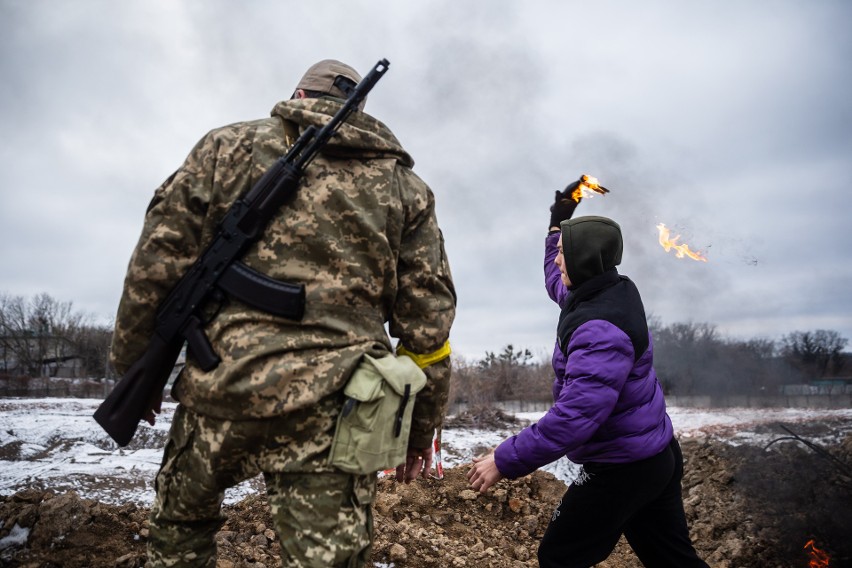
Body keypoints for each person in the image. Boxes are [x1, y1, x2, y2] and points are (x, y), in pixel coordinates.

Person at [110, 59, 456, 568]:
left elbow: (154, 267)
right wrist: (419, 430)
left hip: (220, 388)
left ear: (298, 95)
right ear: (358, 109)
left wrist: (130, 365)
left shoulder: (224, 149)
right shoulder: (406, 189)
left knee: (178, 540)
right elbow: (428, 326)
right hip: (338, 410)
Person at [467, 178, 708, 567]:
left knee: (560, 557)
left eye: (564, 253)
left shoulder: (600, 331)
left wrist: (504, 459)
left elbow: (575, 417)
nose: (558, 260)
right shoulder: (605, 289)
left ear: (582, 260)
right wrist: (557, 222)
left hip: (623, 466)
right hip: (652, 453)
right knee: (673, 561)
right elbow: (555, 279)